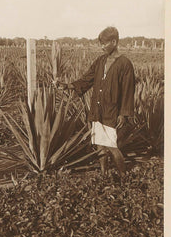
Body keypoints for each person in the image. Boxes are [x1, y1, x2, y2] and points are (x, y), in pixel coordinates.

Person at [58, 27, 135, 178]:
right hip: (98, 109)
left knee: (112, 146)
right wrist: (68, 86)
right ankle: (104, 173)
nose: (102, 47)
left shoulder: (125, 64)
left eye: (104, 43)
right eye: (100, 43)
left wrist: (123, 114)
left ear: (114, 42)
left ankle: (123, 176)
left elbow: (128, 91)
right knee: (100, 144)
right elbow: (88, 79)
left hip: (111, 111)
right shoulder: (101, 61)